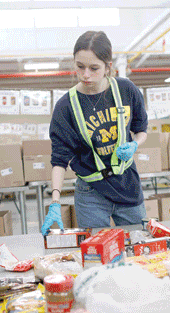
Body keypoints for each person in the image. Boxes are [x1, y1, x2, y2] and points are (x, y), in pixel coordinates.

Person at [41, 31, 148, 234]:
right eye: (80, 67)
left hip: (127, 184)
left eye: (94, 68)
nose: (86, 75)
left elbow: (141, 130)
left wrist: (135, 144)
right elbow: (59, 159)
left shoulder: (126, 90)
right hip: (91, 193)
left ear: (108, 66)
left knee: (138, 246)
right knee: (96, 252)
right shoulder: (66, 106)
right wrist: (55, 200)